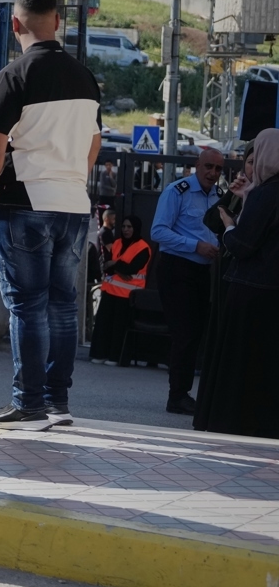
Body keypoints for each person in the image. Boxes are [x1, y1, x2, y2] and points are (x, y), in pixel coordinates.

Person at [0, 0, 101, 431]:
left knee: (27, 306)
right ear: (58, 22)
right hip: (72, 204)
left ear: (15, 24)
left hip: (22, 201)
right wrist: (72, 180)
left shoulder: (13, 75)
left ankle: (28, 405)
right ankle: (56, 403)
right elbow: (94, 142)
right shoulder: (85, 77)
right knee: (64, 306)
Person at [195, 129, 279, 438]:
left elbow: (244, 244)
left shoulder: (266, 193)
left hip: (251, 289)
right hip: (272, 291)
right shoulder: (260, 192)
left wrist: (230, 226)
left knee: (240, 361)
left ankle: (233, 420)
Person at [150, 146, 226, 415]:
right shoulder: (177, 191)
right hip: (176, 268)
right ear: (197, 165)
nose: (213, 173)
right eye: (208, 167)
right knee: (184, 332)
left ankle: (185, 392)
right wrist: (195, 246)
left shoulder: (219, 196)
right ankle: (177, 395)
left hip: (202, 271)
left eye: (218, 169)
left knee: (196, 333)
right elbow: (158, 231)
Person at [88, 215, 150, 365]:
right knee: (103, 324)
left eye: (129, 227)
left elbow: (132, 268)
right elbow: (106, 266)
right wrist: (119, 267)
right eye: (123, 226)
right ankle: (100, 354)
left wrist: (114, 264)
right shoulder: (117, 243)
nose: (126, 230)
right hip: (110, 291)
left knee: (118, 327)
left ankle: (115, 357)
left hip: (128, 295)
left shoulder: (143, 248)